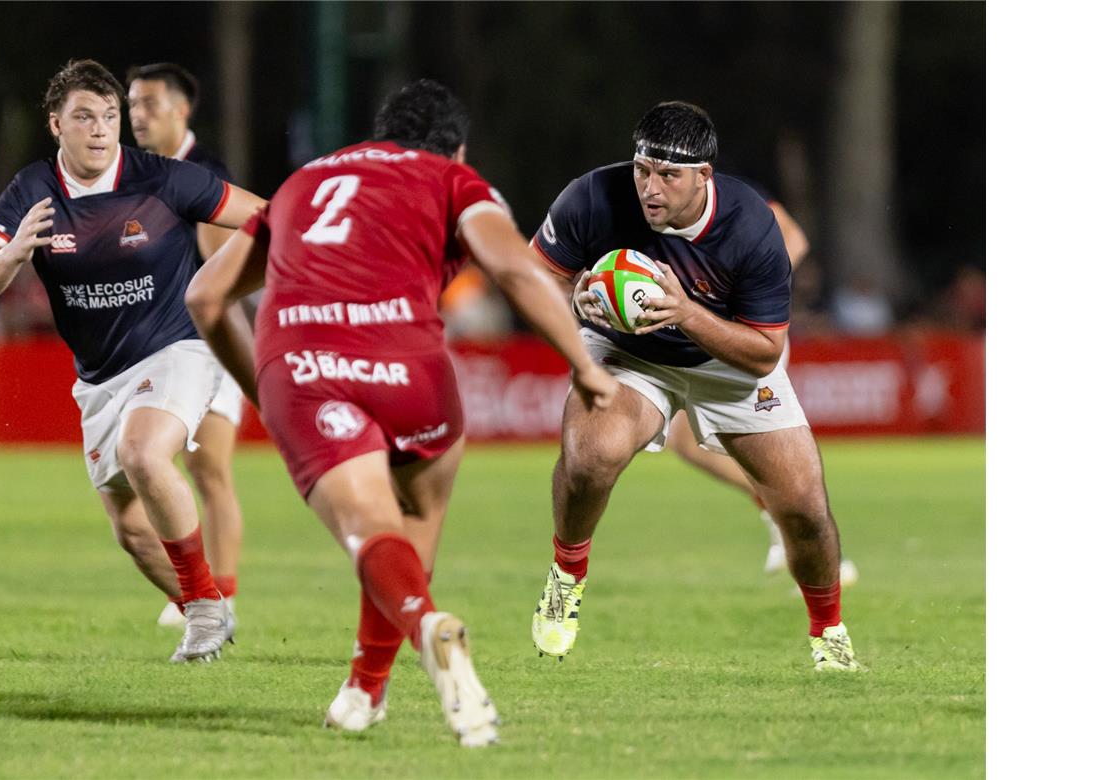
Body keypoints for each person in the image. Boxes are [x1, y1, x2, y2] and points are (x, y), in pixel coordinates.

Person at [185, 80, 618, 745]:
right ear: (459, 147)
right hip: (407, 366)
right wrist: (585, 367)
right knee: (413, 517)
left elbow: (207, 298)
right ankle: (373, 682)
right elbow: (516, 270)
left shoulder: (303, 182)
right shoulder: (454, 180)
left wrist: (266, 393)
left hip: (303, 363)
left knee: (369, 527)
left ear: (380, 134)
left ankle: (404, 650)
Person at [528, 101, 863, 671]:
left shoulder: (753, 224)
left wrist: (685, 312)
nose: (649, 188)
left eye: (668, 175)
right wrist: (574, 295)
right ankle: (566, 576)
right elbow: (532, 279)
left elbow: (763, 354)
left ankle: (828, 630)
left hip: (726, 355)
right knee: (591, 457)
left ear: (703, 176)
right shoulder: (592, 196)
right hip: (629, 352)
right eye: (642, 169)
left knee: (804, 508)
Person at [0, 59, 268, 663]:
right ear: (56, 125)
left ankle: (204, 611)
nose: (100, 130)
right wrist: (14, 252)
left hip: (178, 347)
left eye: (109, 117)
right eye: (84, 118)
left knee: (144, 452)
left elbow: (267, 218)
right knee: (130, 531)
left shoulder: (165, 179)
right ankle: (209, 604)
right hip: (100, 379)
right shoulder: (31, 192)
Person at [660, 185, 856, 582]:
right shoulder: (670, 206)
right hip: (716, 337)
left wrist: (747, 288)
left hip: (746, 338)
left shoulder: (733, 195)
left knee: (762, 456)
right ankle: (788, 527)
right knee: (689, 443)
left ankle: (816, 549)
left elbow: (794, 238)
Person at [126, 62, 247, 629]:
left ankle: (221, 593)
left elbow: (223, 269)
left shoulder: (203, 173)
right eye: (132, 105)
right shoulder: (139, 176)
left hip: (206, 343)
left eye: (150, 103)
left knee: (209, 469)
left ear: (182, 109)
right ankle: (203, 591)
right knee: (158, 469)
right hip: (160, 347)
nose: (137, 115)